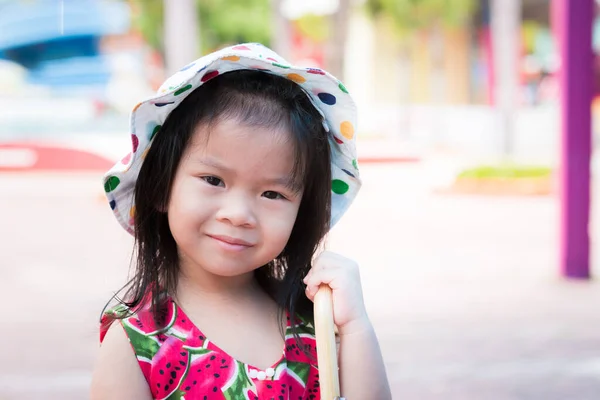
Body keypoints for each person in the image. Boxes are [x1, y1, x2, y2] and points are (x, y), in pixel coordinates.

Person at [90, 43, 391, 400]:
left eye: (272, 194)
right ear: (160, 186)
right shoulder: (136, 341)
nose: (238, 214)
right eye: (213, 180)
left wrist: (355, 326)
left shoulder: (316, 323)